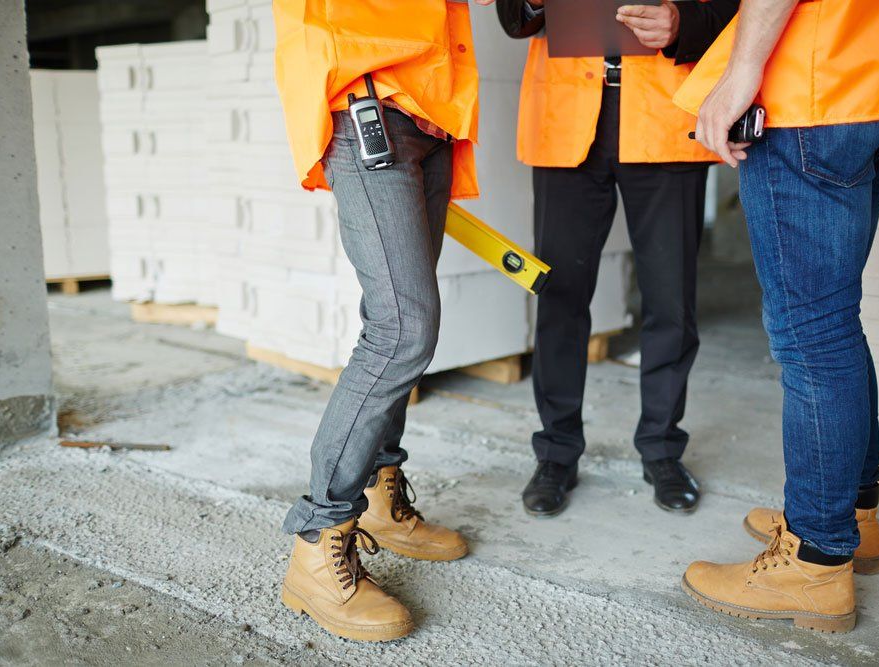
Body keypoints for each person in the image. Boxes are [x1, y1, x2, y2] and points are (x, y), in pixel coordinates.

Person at [674, 0, 879, 633]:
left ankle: (815, 561)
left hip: (823, 80)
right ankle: (853, 517)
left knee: (812, 335)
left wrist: (740, 74)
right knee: (834, 320)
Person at [271, 0, 494, 642]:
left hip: (431, 110)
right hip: (368, 99)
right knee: (402, 331)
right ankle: (318, 537)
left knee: (398, 321)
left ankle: (378, 496)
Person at [496, 0, 738, 516]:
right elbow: (514, 16)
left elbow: (737, 8)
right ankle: (556, 453)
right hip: (566, 117)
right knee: (560, 299)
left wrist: (682, 22)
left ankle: (662, 450)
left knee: (671, 301)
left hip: (667, 114)